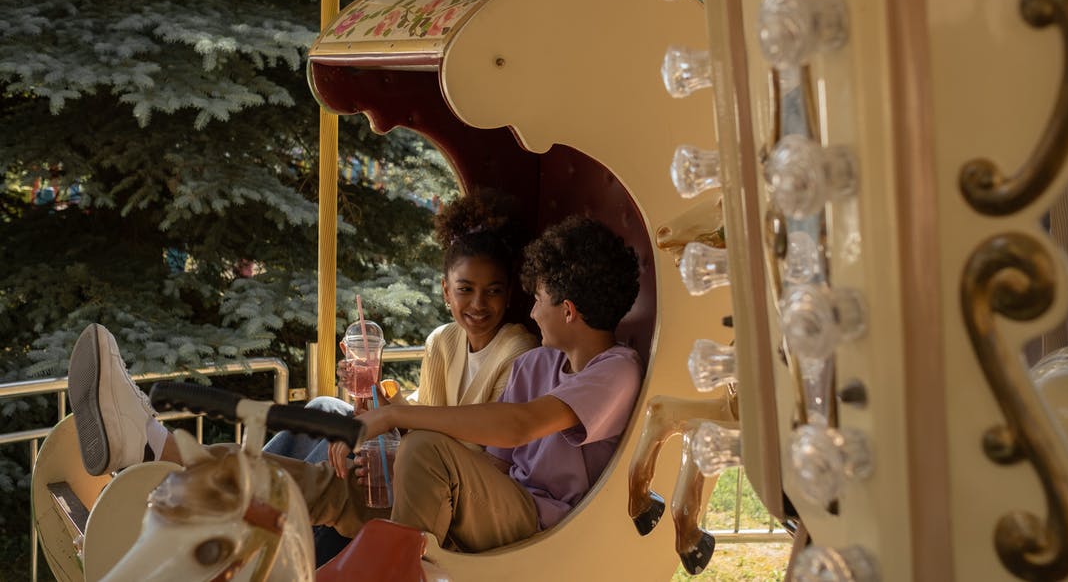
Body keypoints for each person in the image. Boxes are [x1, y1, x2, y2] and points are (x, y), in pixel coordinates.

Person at [68, 215, 644, 554]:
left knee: (422, 447)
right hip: (481, 498)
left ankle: (384, 566)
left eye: (538, 296)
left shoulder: (613, 370)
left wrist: (398, 422)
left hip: (541, 524)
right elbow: (491, 461)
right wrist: (389, 449)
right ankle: (157, 448)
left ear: (567, 309)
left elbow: (520, 427)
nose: (531, 306)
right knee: (327, 484)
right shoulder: (534, 366)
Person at [259, 189, 538, 561]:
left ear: (507, 296)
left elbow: (483, 460)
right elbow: (425, 421)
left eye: (493, 292)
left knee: (347, 475)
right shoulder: (442, 341)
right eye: (465, 290)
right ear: (445, 291)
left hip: (468, 494)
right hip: (425, 461)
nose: (478, 304)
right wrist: (376, 396)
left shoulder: (518, 352)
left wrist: (397, 446)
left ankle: (269, 526)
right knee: (325, 410)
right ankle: (252, 498)